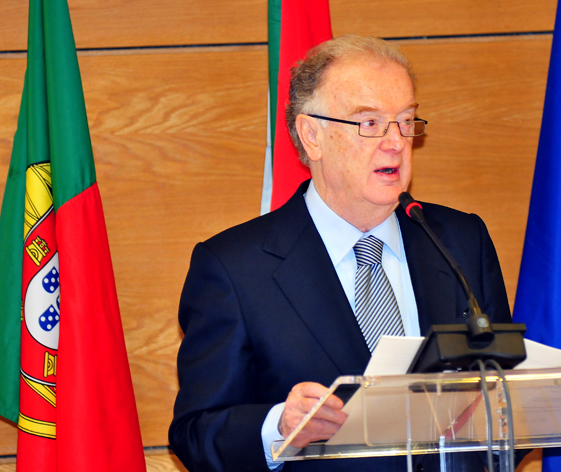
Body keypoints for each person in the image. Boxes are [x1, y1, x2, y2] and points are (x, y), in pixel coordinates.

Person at [169, 35, 513, 472]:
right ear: (312, 135)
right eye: (369, 123)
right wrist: (280, 425)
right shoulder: (236, 269)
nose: (395, 142)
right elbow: (196, 432)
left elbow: (508, 401)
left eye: (406, 121)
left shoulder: (460, 240)